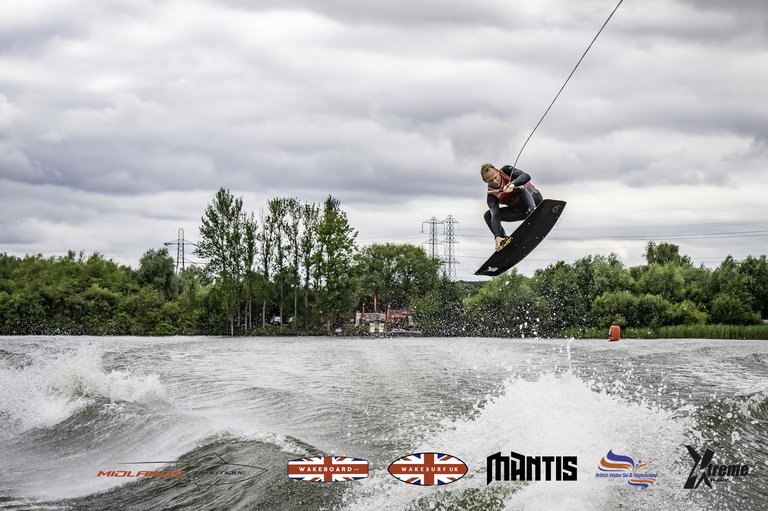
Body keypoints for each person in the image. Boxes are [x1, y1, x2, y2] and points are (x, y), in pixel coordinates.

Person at [481, 163, 543, 251]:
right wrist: (497, 236)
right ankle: (503, 239)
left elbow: (526, 176)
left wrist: (513, 184)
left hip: (534, 198)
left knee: (519, 188)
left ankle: (533, 211)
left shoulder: (506, 170)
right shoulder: (491, 195)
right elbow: (496, 215)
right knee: (488, 215)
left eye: (495, 177)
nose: (495, 182)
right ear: (485, 181)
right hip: (521, 212)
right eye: (490, 181)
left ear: (498, 172)